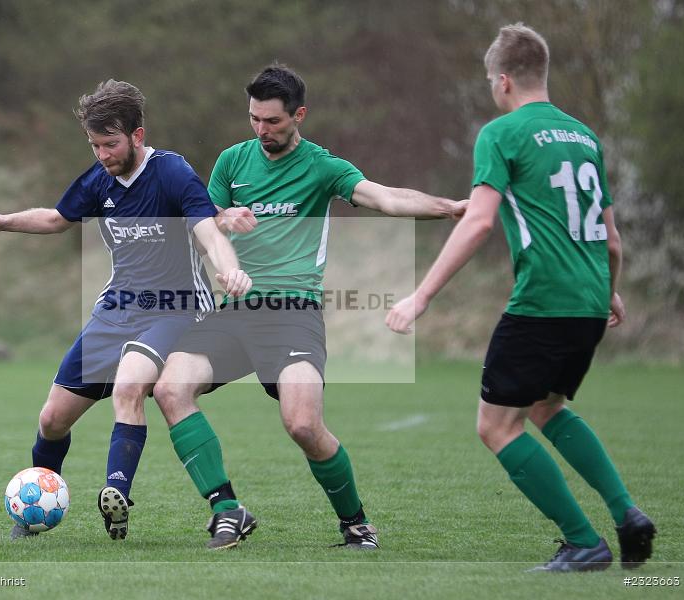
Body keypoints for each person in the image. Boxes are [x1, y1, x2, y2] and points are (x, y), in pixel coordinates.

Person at [153, 64, 466, 550]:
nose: (261, 130)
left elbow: (384, 198)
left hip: (293, 312)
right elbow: (201, 223)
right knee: (171, 389)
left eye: (273, 121)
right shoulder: (233, 162)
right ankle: (227, 511)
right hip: (236, 311)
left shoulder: (322, 166)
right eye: (254, 119)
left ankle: (356, 523)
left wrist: (450, 207)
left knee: (302, 424)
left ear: (298, 115)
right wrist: (221, 217)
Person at [386, 24, 656, 572]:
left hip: (543, 301)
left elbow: (480, 222)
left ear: (503, 80)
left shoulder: (502, 133)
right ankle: (627, 513)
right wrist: (609, 292)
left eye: (490, 80)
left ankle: (584, 542)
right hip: (586, 302)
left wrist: (421, 296)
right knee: (545, 406)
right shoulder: (584, 137)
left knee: (495, 425)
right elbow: (612, 238)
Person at [0, 80, 250, 541]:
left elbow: (210, 231)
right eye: (94, 145)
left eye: (110, 144)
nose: (102, 154)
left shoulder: (173, 173)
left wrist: (229, 269)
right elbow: (58, 218)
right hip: (116, 310)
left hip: (175, 309)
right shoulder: (99, 179)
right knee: (52, 419)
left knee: (130, 385)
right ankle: (34, 512)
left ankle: (117, 495)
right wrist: (4, 221)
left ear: (137, 135)